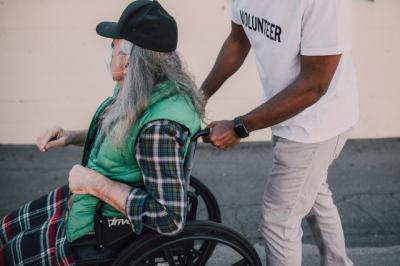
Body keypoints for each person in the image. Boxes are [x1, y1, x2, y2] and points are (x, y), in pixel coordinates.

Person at [0, 1, 204, 265]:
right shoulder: (151, 90)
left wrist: (95, 183)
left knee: (9, 255)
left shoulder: (159, 128)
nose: (109, 53)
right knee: (6, 230)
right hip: (91, 200)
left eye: (113, 46)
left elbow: (170, 218)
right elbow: (126, 138)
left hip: (103, 225)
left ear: (131, 62)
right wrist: (71, 136)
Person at [201, 0, 357, 265]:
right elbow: (238, 42)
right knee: (313, 195)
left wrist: (240, 126)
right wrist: (199, 97)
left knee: (279, 220)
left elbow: (314, 86)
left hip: (316, 124)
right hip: (286, 111)